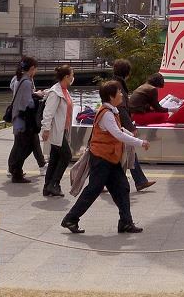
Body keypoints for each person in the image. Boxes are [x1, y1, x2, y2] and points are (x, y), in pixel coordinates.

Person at [60, 81, 148, 234]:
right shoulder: (106, 113)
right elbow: (118, 134)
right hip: (102, 158)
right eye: (119, 92)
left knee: (122, 188)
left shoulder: (111, 111)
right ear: (111, 96)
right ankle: (71, 218)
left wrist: (131, 135)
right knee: (94, 189)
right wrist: (140, 142)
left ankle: (126, 222)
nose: (121, 94)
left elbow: (119, 129)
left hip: (110, 158)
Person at [112, 59, 155, 191]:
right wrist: (131, 128)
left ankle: (140, 181)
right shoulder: (119, 87)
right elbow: (122, 109)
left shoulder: (114, 84)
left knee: (128, 152)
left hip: (115, 125)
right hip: (118, 126)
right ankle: (138, 181)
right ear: (127, 73)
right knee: (120, 153)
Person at [40, 64, 75, 198]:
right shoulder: (56, 92)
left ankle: (48, 187)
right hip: (56, 131)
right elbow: (48, 113)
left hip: (63, 130)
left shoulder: (64, 90)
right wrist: (46, 129)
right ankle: (54, 184)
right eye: (71, 75)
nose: (73, 78)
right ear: (66, 77)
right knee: (66, 156)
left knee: (55, 158)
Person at [6, 56, 40, 183]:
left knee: (20, 145)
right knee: (24, 145)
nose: (35, 71)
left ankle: (15, 169)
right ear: (31, 68)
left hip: (18, 117)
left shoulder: (19, 79)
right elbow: (28, 103)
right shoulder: (26, 82)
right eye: (35, 69)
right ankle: (16, 170)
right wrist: (39, 97)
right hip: (23, 118)